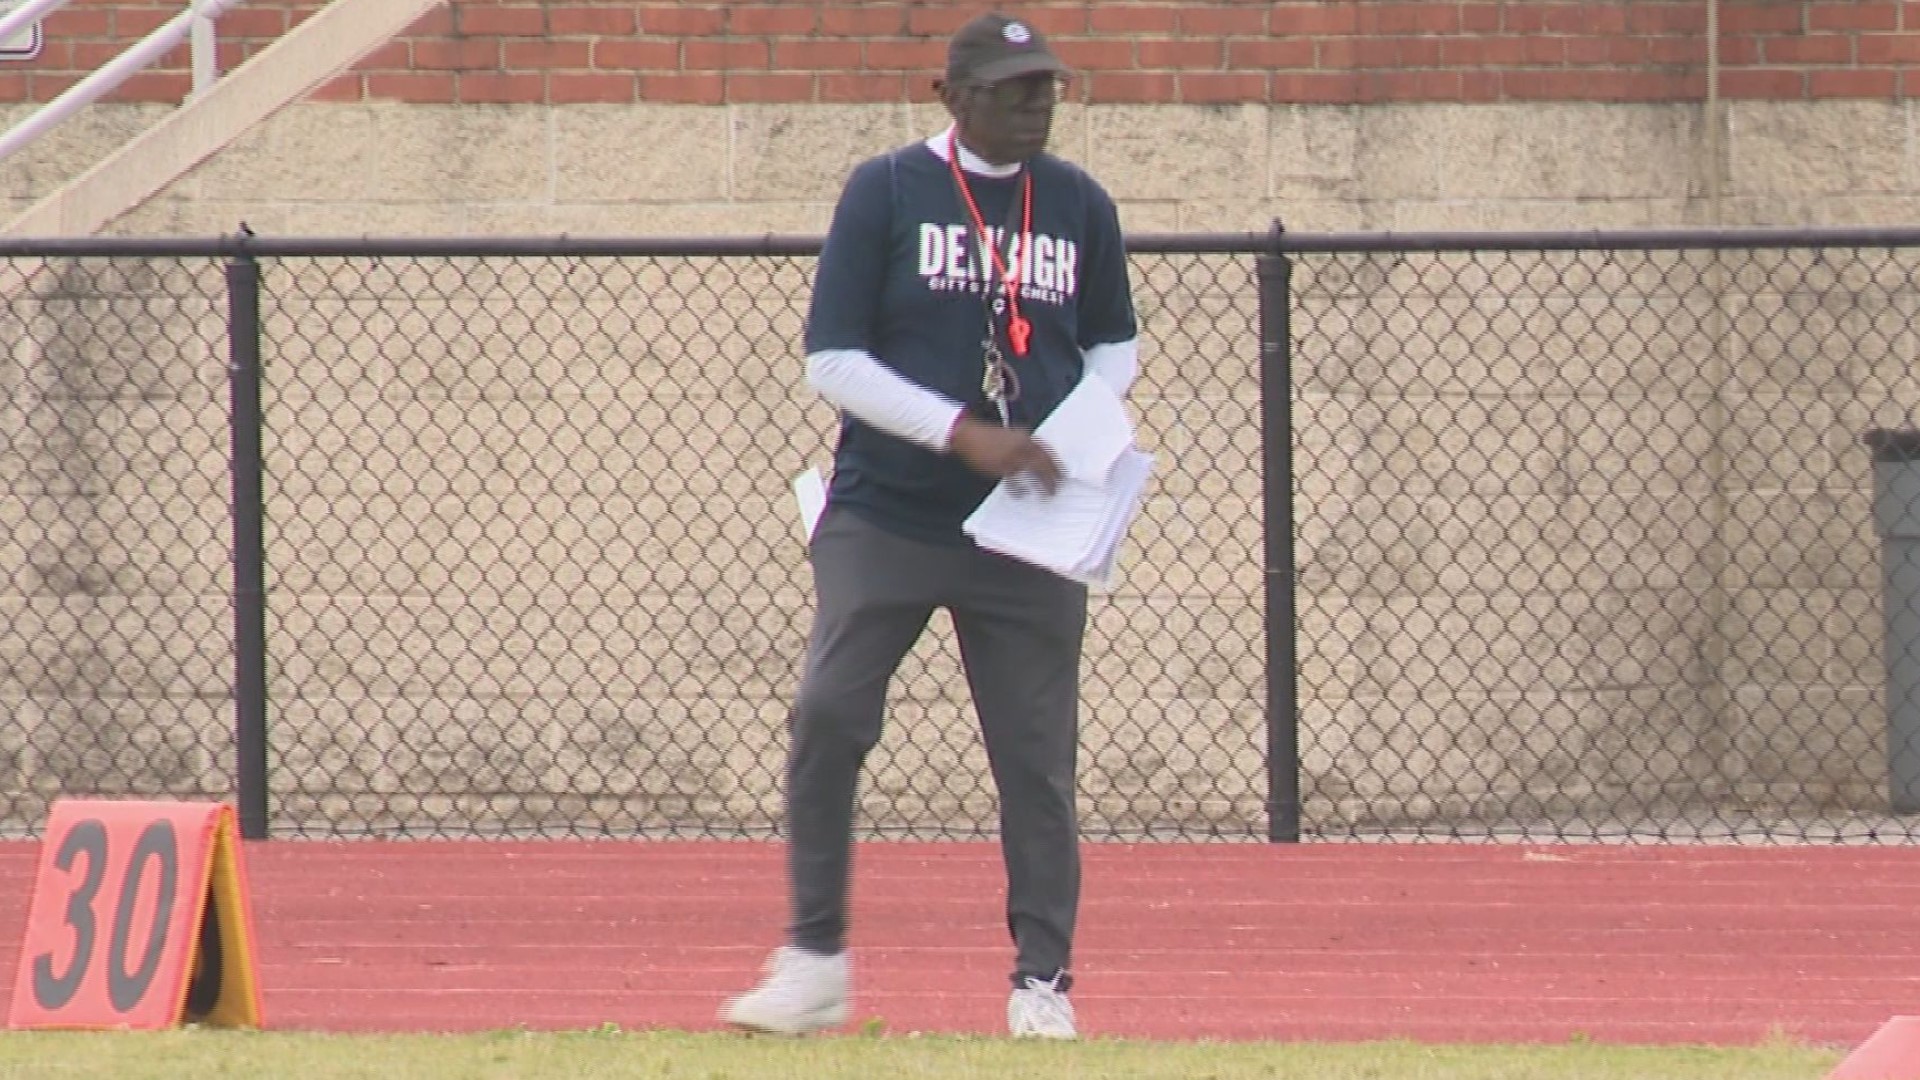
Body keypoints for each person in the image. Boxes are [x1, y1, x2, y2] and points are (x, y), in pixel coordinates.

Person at [718, 10, 1140, 1042]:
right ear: (951, 97)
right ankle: (815, 963)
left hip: (1027, 529)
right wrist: (965, 435)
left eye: (1045, 87)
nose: (1035, 105)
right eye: (1010, 88)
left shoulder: (1079, 204)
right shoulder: (888, 190)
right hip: (889, 512)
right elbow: (833, 361)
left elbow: (1113, 348)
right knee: (828, 712)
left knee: (1036, 758)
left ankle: (1043, 985)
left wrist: (1069, 437)